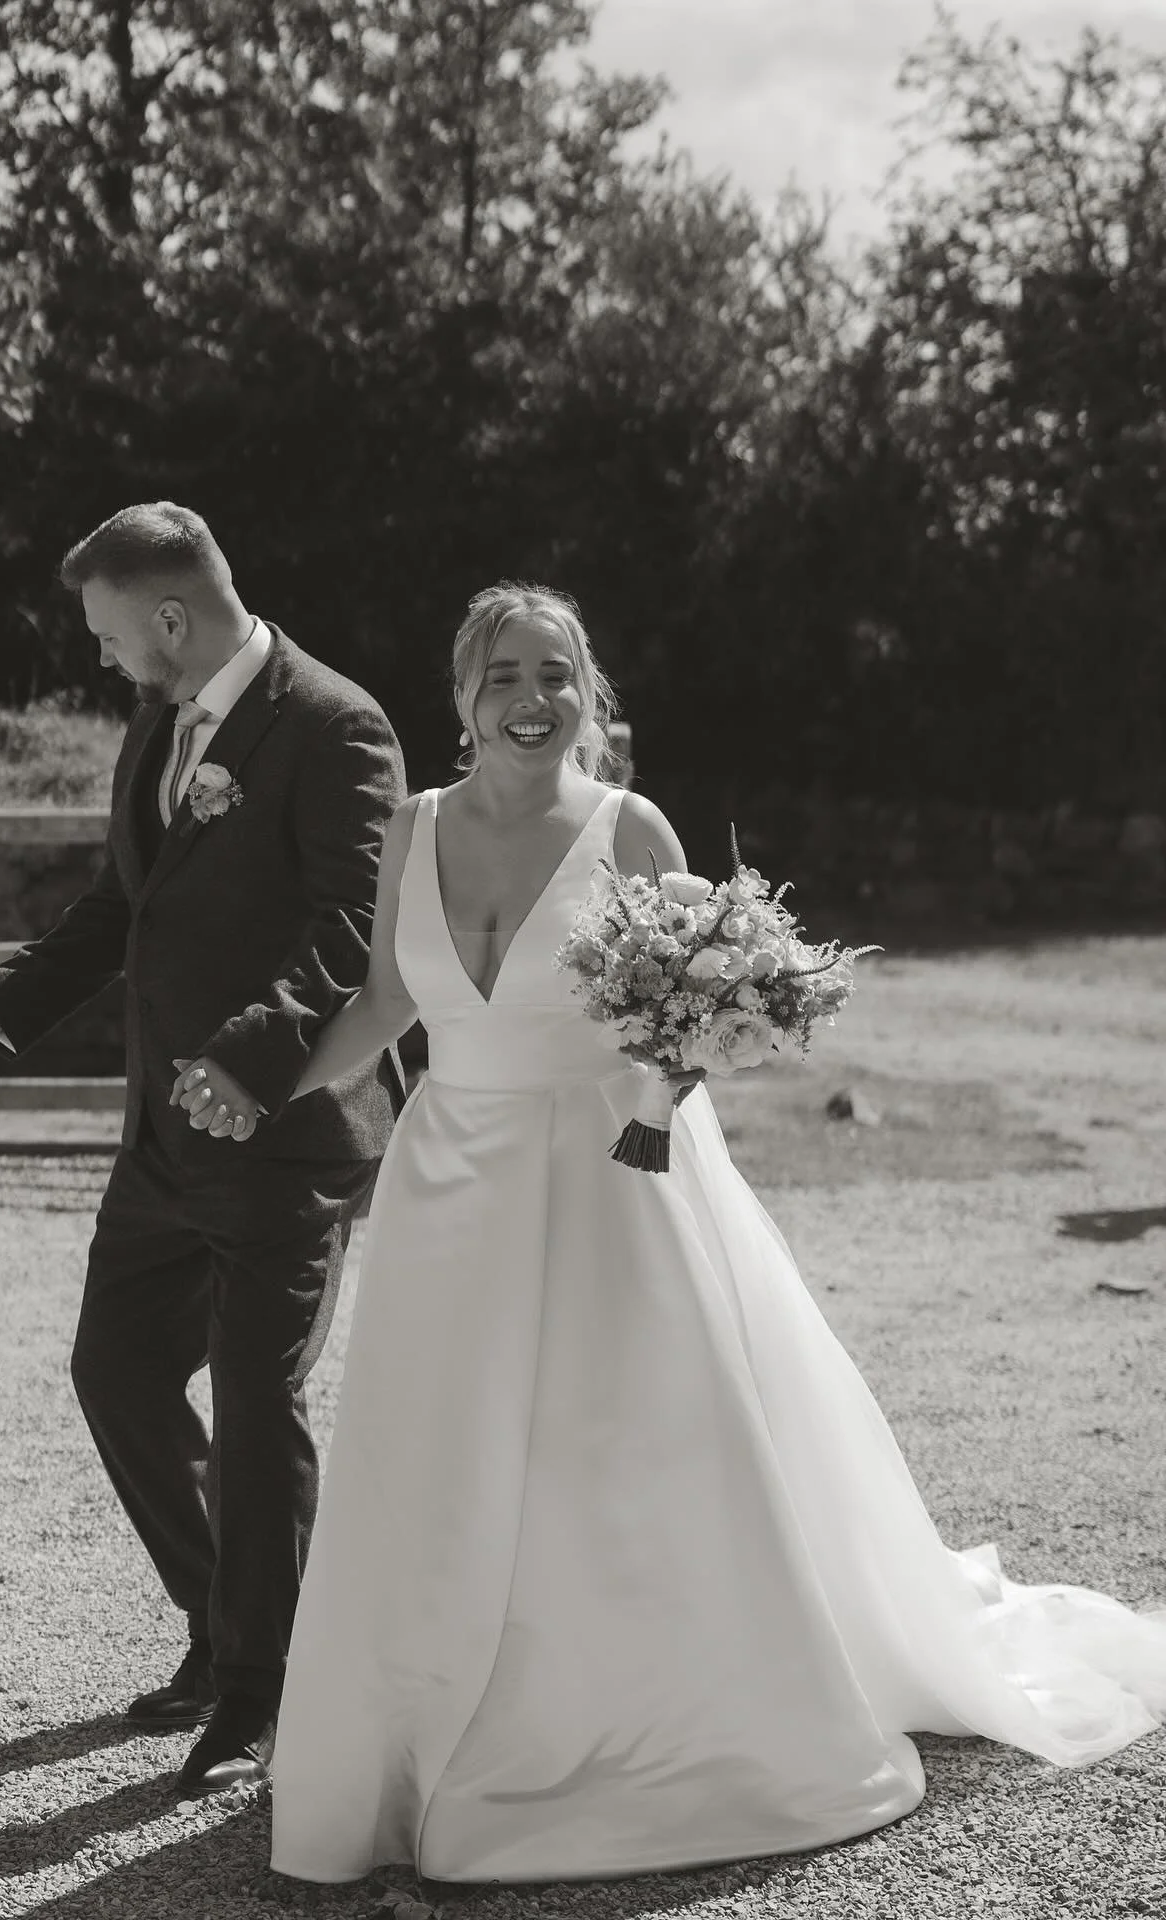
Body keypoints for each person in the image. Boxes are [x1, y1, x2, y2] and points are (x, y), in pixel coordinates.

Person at [184, 580, 1166, 1885]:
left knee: (611, 1454)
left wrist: (653, 1112)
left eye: (560, 676)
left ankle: (612, 1721)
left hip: (607, 1172)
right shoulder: (411, 830)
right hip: (448, 1186)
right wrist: (264, 1084)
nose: (535, 702)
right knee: (439, 1451)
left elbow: (695, 1012)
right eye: (507, 677)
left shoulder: (629, 828)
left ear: (589, 697)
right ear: (461, 696)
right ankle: (414, 1734)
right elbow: (380, 1002)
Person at [0, 502, 405, 1798]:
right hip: (158, 1138)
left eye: (110, 634)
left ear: (173, 618)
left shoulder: (336, 724)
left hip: (288, 1131)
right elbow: (125, 901)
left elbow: (358, 922)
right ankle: (230, 1627)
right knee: (118, 1375)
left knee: (254, 1400)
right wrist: (4, 1001)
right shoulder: (159, 722)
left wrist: (250, 1060)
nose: (103, 658)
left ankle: (264, 1684)